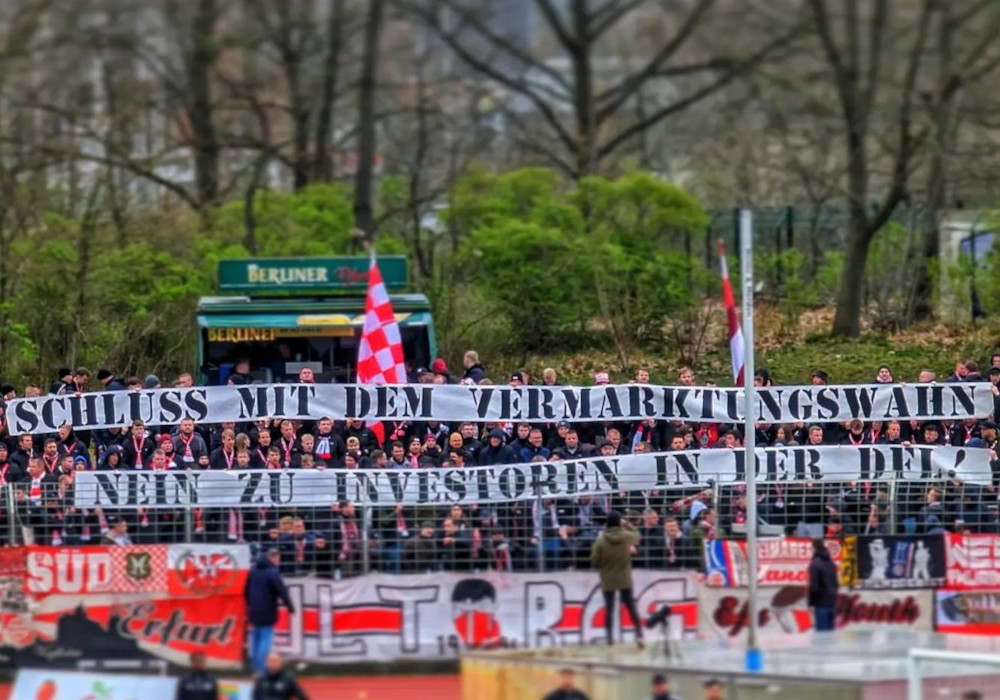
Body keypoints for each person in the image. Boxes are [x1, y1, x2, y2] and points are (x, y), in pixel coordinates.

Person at [590, 510, 644, 647]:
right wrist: (627, 525)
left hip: (607, 578)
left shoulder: (601, 541)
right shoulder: (626, 537)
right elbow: (637, 536)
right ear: (620, 522)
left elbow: (595, 560)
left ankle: (609, 638)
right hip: (624, 577)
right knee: (630, 606)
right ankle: (639, 634)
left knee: (609, 609)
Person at [245, 548, 296, 674]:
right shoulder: (273, 572)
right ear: (274, 558)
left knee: (255, 638)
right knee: (265, 639)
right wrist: (290, 607)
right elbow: (282, 591)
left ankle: (256, 666)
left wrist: (250, 604)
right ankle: (262, 669)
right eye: (278, 558)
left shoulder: (253, 570)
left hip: (253, 609)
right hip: (267, 609)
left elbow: (246, 589)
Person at [808, 538, 839, 632]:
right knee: (830, 636)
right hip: (832, 602)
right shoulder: (831, 563)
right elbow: (836, 583)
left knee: (821, 639)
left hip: (820, 603)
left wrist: (811, 603)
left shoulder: (815, 564)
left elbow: (814, 586)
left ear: (814, 548)